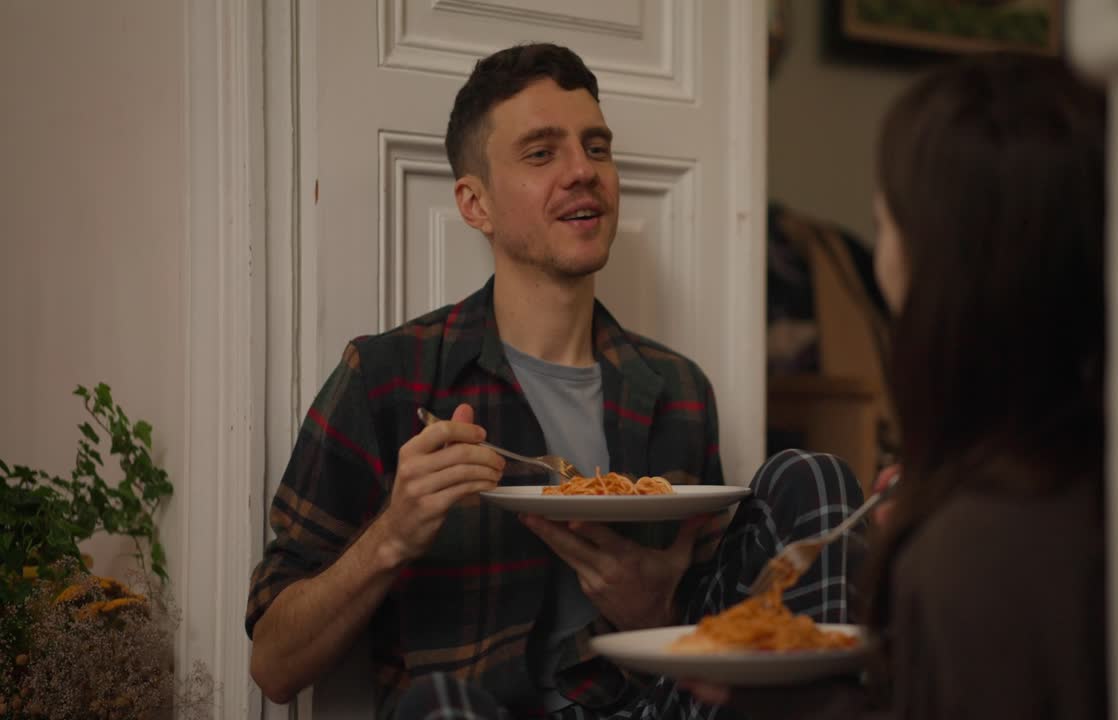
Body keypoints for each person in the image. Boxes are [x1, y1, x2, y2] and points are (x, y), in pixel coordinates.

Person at [245, 43, 864, 720]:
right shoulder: (388, 380)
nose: (582, 171)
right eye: (542, 153)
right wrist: (391, 536)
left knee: (816, 478)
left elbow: (710, 637)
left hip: (657, 707)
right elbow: (275, 665)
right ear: (474, 203)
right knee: (438, 706)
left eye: (596, 147)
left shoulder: (678, 389)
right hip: (475, 711)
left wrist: (652, 606)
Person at [686, 54, 1109, 719]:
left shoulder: (973, 554)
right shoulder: (1106, 478)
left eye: (885, 223)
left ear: (940, 265)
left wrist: (784, 706)